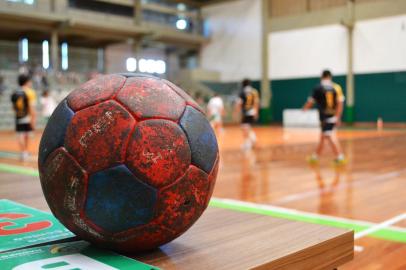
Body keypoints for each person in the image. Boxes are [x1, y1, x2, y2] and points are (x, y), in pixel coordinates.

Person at [302, 70, 346, 164]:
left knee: (329, 136)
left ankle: (340, 157)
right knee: (323, 136)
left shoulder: (318, 87)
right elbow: (340, 103)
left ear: (322, 77)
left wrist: (304, 109)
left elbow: (311, 102)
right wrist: (338, 117)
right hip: (333, 116)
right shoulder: (336, 87)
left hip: (325, 117)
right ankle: (315, 157)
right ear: (330, 77)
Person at [11, 74, 37, 161]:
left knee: (20, 135)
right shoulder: (30, 92)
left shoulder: (14, 93)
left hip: (18, 117)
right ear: (26, 82)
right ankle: (25, 151)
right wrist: (33, 119)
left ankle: (23, 152)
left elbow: (13, 107)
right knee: (26, 135)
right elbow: (31, 107)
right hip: (27, 117)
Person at [236, 79, 259, 150]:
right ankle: (252, 139)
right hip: (252, 112)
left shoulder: (242, 92)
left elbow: (239, 104)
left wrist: (237, 112)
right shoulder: (254, 91)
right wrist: (256, 112)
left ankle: (247, 143)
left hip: (246, 112)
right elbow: (256, 103)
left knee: (244, 128)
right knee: (247, 127)